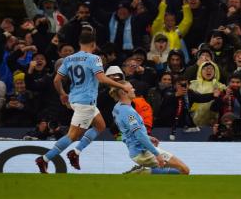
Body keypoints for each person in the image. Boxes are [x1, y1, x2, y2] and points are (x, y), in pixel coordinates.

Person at [35, 30, 129, 173]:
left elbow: (56, 80)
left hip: (74, 99)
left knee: (100, 126)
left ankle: (76, 153)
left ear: (79, 43)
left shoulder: (69, 59)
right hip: (86, 103)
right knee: (72, 136)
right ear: (94, 44)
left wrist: (62, 94)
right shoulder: (94, 59)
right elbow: (102, 79)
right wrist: (122, 86)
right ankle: (45, 159)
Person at [110, 80, 190, 174]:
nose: (134, 89)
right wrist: (157, 154)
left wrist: (148, 137)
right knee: (184, 170)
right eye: (131, 88)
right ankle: (143, 171)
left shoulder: (117, 108)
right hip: (143, 151)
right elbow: (139, 135)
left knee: (178, 170)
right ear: (123, 92)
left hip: (135, 152)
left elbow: (129, 131)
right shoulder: (129, 112)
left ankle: (144, 171)